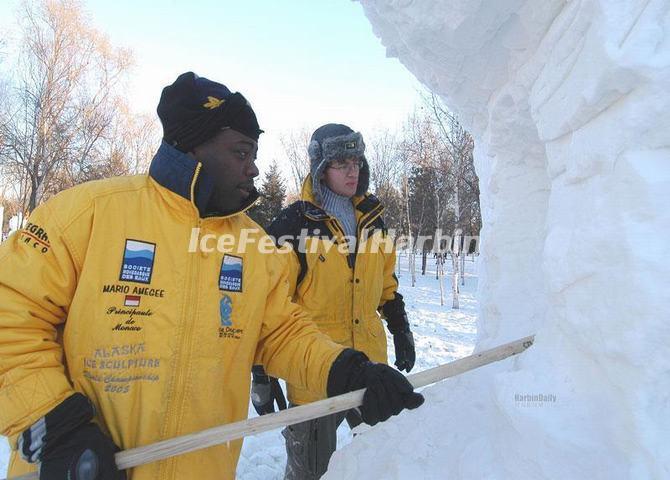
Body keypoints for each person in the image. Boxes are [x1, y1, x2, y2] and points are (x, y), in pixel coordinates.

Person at [0, 73, 424, 480]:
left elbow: (281, 332)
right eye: (241, 153)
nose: (254, 170)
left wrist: (350, 370)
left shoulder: (251, 245)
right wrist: (56, 423)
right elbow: (11, 317)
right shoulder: (88, 214)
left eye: (254, 156)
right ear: (191, 148)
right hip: (77, 466)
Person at [251, 123, 417, 479]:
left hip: (371, 370)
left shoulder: (374, 221)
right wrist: (261, 373)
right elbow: (266, 301)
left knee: (378, 464)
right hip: (315, 374)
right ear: (320, 168)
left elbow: (386, 286)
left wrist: (401, 329)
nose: (352, 170)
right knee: (310, 472)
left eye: (356, 160)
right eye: (341, 162)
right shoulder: (294, 224)